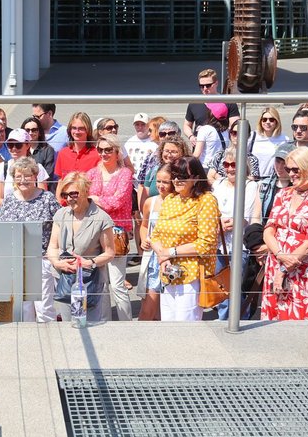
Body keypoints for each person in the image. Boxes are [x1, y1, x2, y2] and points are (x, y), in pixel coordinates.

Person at [261, 147, 308, 321]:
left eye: (295, 169)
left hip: (303, 269)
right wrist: (280, 256)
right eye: (288, 169)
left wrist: (284, 270)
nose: (291, 174)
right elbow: (269, 230)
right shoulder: (283, 194)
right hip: (276, 262)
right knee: (272, 322)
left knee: (300, 321)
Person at [148, 156, 220, 321]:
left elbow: (206, 244)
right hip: (168, 271)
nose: (176, 180)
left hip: (191, 275)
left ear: (196, 178)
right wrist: (163, 256)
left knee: (186, 325)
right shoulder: (170, 199)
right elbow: (156, 235)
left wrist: (169, 252)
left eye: (182, 177)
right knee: (168, 324)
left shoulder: (206, 200)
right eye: (174, 176)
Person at [45, 172, 115, 323]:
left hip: (90, 281)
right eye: (65, 195)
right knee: (68, 325)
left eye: (74, 194)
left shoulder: (101, 218)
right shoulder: (61, 214)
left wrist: (90, 263)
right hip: (64, 280)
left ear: (85, 191)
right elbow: (52, 247)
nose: (69, 198)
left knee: (90, 325)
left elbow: (110, 253)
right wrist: (57, 263)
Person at [0, 157, 61, 322]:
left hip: (42, 259)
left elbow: (60, 225)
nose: (23, 180)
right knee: (24, 309)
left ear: (35, 176)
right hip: (17, 260)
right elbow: (2, 230)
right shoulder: (9, 200)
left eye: (27, 175)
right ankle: (28, 338)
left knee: (44, 308)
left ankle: (50, 338)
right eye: (18, 176)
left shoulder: (47, 198)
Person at [87, 133, 134, 321]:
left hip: (116, 234)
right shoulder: (92, 173)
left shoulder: (125, 174)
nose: (104, 153)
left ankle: (126, 323)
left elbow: (118, 201)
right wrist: (97, 200)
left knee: (117, 283)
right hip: (95, 231)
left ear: (117, 152)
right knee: (101, 283)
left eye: (108, 150)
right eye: (100, 150)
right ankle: (104, 321)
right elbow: (86, 199)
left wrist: (96, 199)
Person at [212, 147, 261, 320]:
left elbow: (243, 216)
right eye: (226, 164)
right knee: (222, 286)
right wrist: (216, 224)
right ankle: (225, 319)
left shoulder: (250, 186)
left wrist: (225, 223)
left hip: (238, 244)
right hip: (218, 242)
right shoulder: (217, 185)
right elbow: (211, 210)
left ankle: (238, 320)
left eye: (234, 164)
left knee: (235, 287)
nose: (230, 168)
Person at [138, 163, 175, 321]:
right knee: (148, 308)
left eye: (165, 182)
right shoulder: (150, 202)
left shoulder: (181, 203)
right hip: (153, 258)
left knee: (167, 311)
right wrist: (144, 239)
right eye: (158, 181)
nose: (161, 185)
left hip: (173, 257)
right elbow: (144, 226)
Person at [0, 129, 49, 207]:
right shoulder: (2, 167)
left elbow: (43, 197)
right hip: (9, 212)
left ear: (27, 145)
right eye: (10, 145)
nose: (14, 148)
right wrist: (18, 207)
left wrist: (24, 207)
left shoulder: (38, 167)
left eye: (18, 145)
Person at [183, 69, 239, 145]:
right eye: (201, 86)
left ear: (216, 83)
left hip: (220, 147)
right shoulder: (194, 103)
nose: (205, 89)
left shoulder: (228, 102)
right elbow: (186, 125)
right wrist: (191, 136)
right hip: (199, 147)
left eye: (208, 85)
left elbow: (235, 126)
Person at [54, 112, 100, 180]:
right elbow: (60, 181)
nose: (77, 132)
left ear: (88, 130)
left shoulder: (97, 155)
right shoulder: (63, 153)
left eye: (81, 128)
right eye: (74, 128)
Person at [256, 142, 294, 224]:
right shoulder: (264, 184)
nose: (280, 167)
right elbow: (256, 217)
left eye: (284, 163)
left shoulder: (299, 188)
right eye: (277, 161)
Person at [249, 107, 290, 177]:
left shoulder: (284, 139)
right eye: (264, 119)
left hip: (273, 179)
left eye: (271, 120)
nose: (267, 122)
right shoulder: (252, 136)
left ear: (276, 121)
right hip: (254, 178)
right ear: (260, 121)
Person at [192, 103, 229, 169]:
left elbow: (197, 154)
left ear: (211, 114)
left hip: (205, 167)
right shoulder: (226, 131)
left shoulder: (205, 129)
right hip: (220, 168)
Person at [124, 112, 157, 181]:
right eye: (137, 125)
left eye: (143, 124)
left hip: (148, 181)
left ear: (149, 126)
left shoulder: (155, 142)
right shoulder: (128, 143)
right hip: (132, 181)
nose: (140, 127)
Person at [22, 117, 56, 183]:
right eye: (27, 130)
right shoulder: (19, 148)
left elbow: (48, 175)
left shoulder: (48, 150)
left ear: (39, 132)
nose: (30, 133)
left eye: (34, 130)